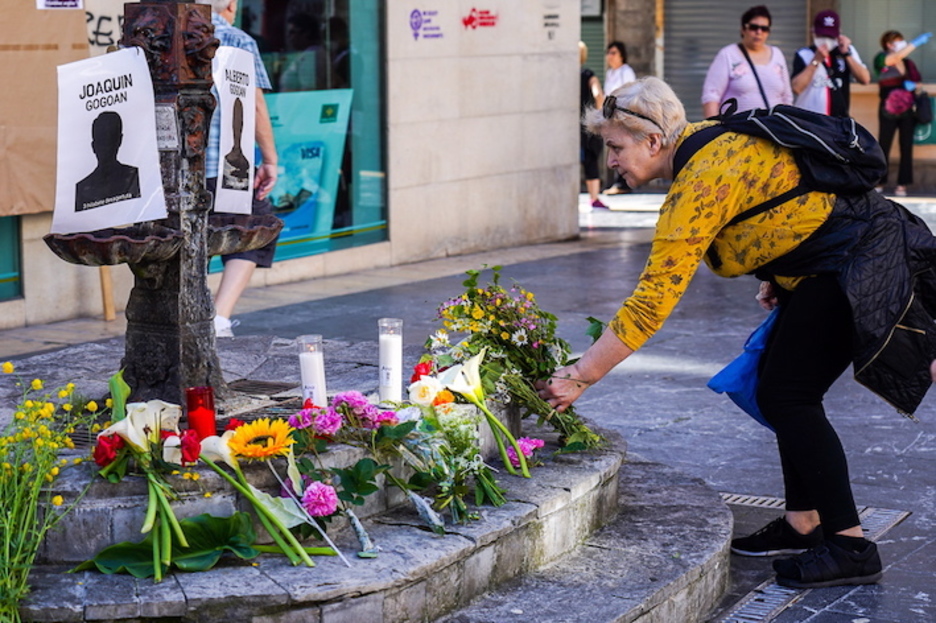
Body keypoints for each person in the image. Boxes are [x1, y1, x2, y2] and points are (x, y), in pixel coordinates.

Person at [538, 76, 936, 589]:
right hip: (834, 259)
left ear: (653, 141)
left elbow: (652, 301)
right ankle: (803, 523)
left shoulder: (697, 182)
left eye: (615, 147)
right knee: (782, 388)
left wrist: (582, 375)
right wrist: (776, 269)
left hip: (855, 264)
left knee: (788, 395)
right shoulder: (708, 139)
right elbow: (779, 188)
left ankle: (851, 545)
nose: (610, 160)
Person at [203, 0, 280, 337]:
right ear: (230, 5)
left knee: (186, 241)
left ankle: (195, 316)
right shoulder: (237, 40)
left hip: (173, 172)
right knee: (258, 227)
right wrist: (271, 160)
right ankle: (218, 318)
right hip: (228, 164)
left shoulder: (159, 39)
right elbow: (256, 106)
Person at [701, 5, 792, 119]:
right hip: (738, 130)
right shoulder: (728, 54)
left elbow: (787, 97)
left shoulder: (777, 54)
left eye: (764, 29)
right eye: (754, 27)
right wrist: (712, 128)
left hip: (772, 129)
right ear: (743, 29)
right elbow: (711, 96)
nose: (759, 32)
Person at [874, 30, 932, 197]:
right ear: (888, 44)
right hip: (887, 109)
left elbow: (918, 83)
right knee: (884, 144)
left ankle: (903, 183)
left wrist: (915, 86)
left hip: (908, 110)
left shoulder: (909, 63)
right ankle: (879, 181)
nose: (901, 43)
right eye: (897, 41)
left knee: (906, 146)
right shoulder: (881, 58)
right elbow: (894, 59)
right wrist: (915, 43)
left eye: (901, 40)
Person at [791, 10, 870, 117]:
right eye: (822, 35)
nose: (826, 40)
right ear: (813, 32)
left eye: (831, 36)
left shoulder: (847, 51)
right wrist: (816, 61)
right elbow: (796, 88)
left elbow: (865, 79)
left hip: (838, 121)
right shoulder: (804, 54)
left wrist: (846, 54)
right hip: (810, 119)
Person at [75, 111, 141, 212]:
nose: (106, 148)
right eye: (102, 141)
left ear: (119, 141)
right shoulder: (82, 188)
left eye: (110, 140)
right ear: (94, 146)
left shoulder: (135, 177)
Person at [603, 41, 637, 195]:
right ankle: (618, 181)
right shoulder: (610, 73)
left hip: (622, 116)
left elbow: (630, 94)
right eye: (608, 53)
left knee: (623, 148)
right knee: (615, 148)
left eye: (613, 53)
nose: (610, 56)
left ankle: (624, 182)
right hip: (612, 117)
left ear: (621, 55)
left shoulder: (626, 71)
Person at [579, 41, 607, 210]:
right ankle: (594, 197)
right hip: (584, 123)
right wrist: (598, 114)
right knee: (591, 158)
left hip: (566, 122)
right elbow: (598, 95)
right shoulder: (588, 75)